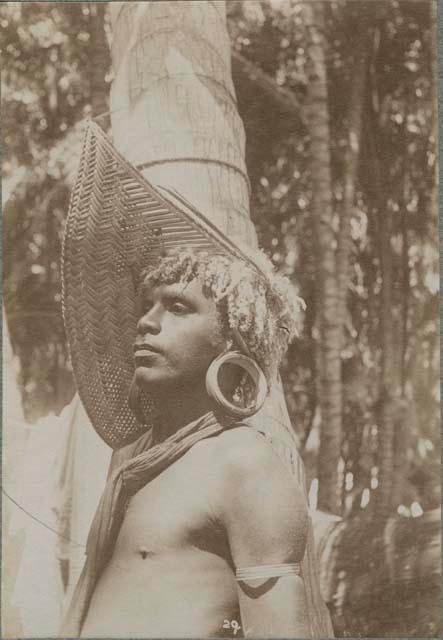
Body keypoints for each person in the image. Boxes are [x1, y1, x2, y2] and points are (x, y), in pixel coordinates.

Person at [61, 121, 333, 637]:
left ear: (231, 344)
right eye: (148, 306)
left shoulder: (244, 464)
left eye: (179, 307)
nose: (147, 321)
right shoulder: (134, 461)